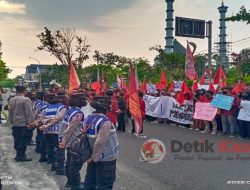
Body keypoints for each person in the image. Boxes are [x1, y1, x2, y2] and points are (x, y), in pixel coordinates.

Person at [83, 96, 119, 190]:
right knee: (105, 184)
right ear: (106, 109)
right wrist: (94, 157)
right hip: (105, 158)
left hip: (91, 156)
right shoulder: (105, 122)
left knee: (90, 181)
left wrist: (91, 157)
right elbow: (100, 142)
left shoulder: (88, 119)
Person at [58, 94, 86, 188]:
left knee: (69, 162)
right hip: (74, 141)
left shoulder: (70, 110)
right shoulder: (78, 114)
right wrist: (64, 141)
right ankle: (76, 184)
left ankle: (70, 181)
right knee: (74, 164)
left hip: (68, 140)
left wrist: (63, 139)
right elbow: (70, 129)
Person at [39, 97, 67, 171]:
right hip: (57, 131)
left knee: (50, 148)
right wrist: (51, 120)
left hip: (47, 131)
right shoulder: (62, 108)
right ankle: (59, 167)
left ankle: (52, 163)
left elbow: (41, 119)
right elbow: (58, 118)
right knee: (59, 149)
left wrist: (47, 121)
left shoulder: (46, 108)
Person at [9, 86, 34, 161]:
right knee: (23, 139)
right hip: (23, 123)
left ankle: (18, 154)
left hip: (15, 123)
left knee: (17, 138)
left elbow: (10, 112)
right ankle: (21, 155)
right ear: (24, 91)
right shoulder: (26, 100)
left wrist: (11, 121)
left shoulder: (11, 100)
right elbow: (29, 112)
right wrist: (31, 123)